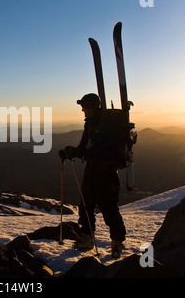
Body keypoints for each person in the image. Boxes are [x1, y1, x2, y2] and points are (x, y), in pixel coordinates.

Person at [59, 93, 126, 258]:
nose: (82, 109)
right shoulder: (89, 124)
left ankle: (117, 243)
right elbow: (84, 146)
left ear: (92, 108)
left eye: (84, 107)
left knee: (108, 208)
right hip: (92, 170)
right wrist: (71, 152)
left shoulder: (106, 125)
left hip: (106, 172)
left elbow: (102, 149)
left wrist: (78, 152)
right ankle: (87, 238)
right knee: (85, 205)